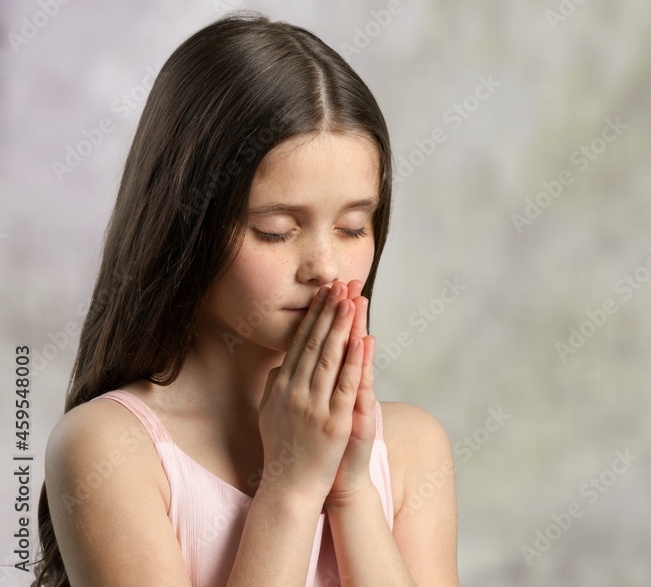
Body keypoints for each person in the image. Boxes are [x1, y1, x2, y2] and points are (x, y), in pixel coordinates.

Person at [32, 11, 458, 586]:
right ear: (184, 224)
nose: (325, 267)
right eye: (276, 231)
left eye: (354, 227)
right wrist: (291, 487)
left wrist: (350, 491)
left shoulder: (410, 449)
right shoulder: (109, 451)